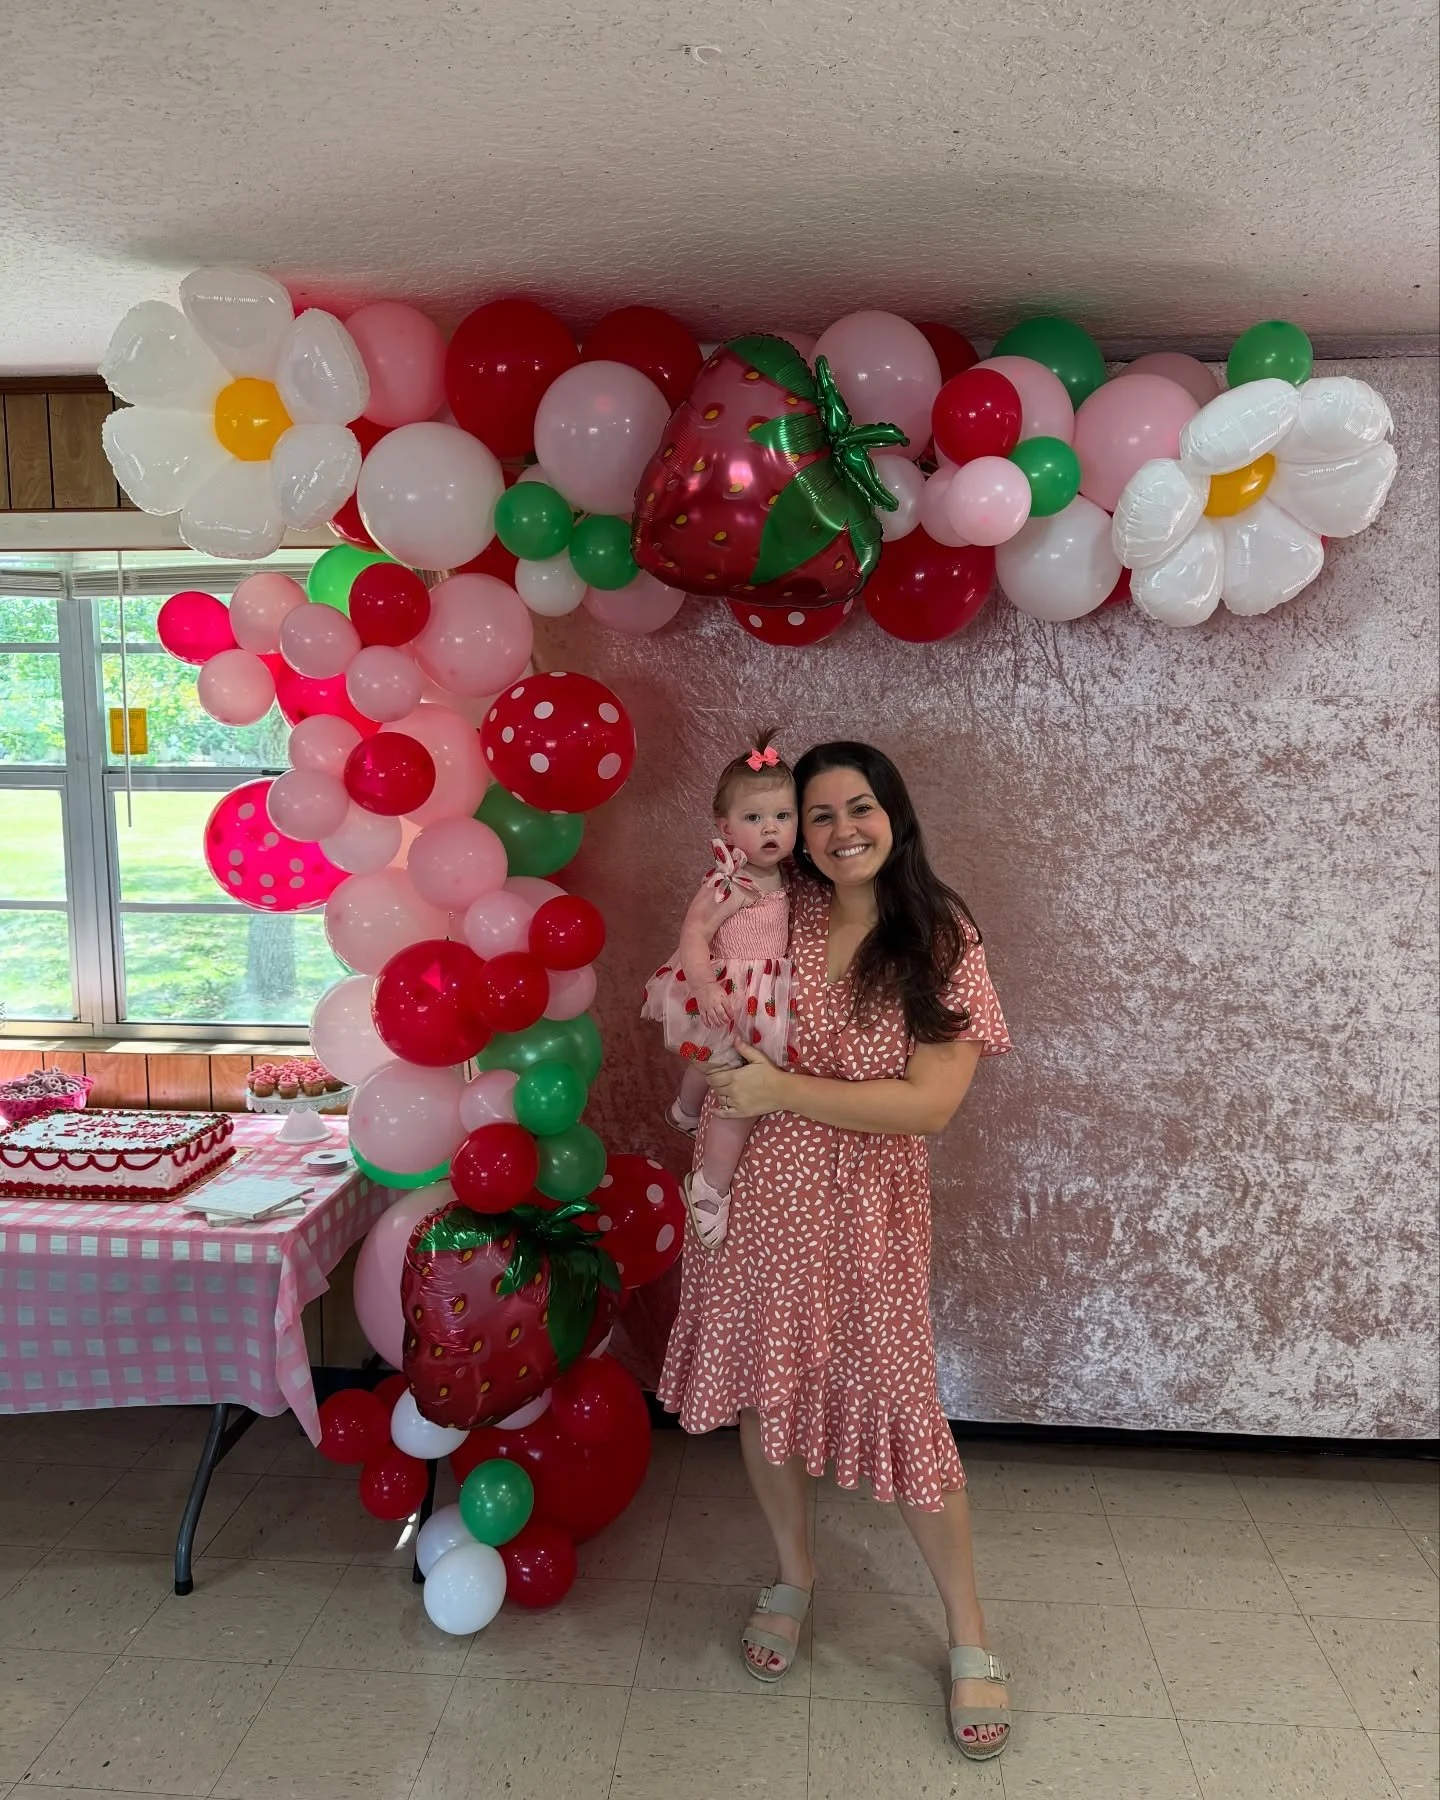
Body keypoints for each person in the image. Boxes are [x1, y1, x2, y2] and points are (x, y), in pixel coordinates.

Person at [657, 739, 1014, 1761]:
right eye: (818, 815)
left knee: (903, 1405)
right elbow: (703, 984)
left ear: (894, 814)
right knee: (769, 1399)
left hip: (866, 1212)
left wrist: (780, 1090)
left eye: (859, 808)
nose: (840, 830)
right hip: (758, 1201)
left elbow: (932, 1104)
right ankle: (793, 1576)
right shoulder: (783, 908)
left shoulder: (940, 935)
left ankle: (969, 1634)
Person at [641, 734, 797, 1250]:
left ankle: (685, 1111)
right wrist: (705, 986)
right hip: (730, 991)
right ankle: (709, 1186)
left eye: (783, 815)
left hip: (762, 993)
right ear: (726, 829)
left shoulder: (781, 876)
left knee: (711, 1059)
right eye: (754, 819)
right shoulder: (734, 883)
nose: (771, 828)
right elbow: (694, 934)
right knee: (739, 1089)